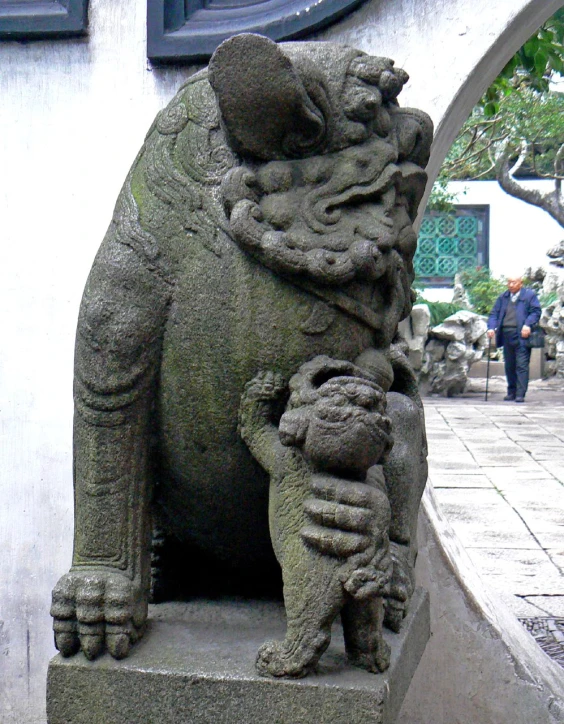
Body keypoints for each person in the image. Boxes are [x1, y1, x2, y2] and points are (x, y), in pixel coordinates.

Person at [487, 276, 541, 403]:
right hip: (506, 334)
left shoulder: (529, 296)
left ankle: (520, 393)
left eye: (514, 282)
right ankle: (511, 391)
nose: (511, 285)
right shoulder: (503, 297)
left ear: (521, 283)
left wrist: (528, 324)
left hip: (522, 334)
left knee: (522, 365)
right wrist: (491, 327)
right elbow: (494, 313)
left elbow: (536, 312)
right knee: (509, 365)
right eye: (509, 282)